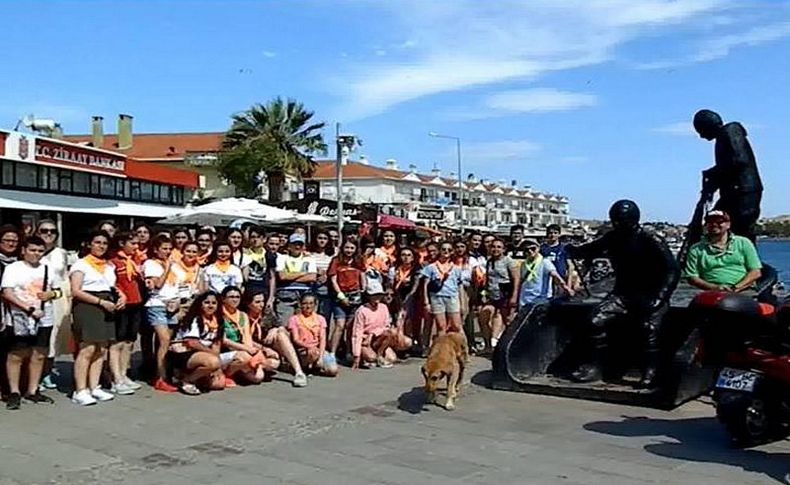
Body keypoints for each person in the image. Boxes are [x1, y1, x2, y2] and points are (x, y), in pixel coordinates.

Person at [566, 200, 680, 388]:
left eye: (622, 220)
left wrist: (660, 297)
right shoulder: (613, 237)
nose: (618, 224)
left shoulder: (651, 239)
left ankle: (650, 371)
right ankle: (596, 367)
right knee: (594, 320)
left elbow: (672, 270)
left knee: (648, 329)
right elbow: (591, 249)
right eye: (615, 221)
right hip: (623, 295)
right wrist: (574, 250)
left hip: (651, 294)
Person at [1, 236, 62, 408]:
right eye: (32, 250)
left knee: (39, 354)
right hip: (20, 318)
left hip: (44, 317)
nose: (36, 254)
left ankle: (33, 390)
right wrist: (28, 308)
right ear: (24, 250)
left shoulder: (48, 269)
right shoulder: (14, 268)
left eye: (40, 251)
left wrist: (51, 295)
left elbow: (59, 291)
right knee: (16, 355)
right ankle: (14, 391)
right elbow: (7, 292)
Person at [70, 231, 126, 406]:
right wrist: (100, 302)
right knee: (87, 348)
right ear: (89, 244)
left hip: (107, 304)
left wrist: (121, 295)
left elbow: (111, 286)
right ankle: (80, 389)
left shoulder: (108, 266)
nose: (101, 246)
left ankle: (95, 386)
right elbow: (76, 290)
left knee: (101, 349)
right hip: (89, 306)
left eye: (104, 243)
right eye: (97, 242)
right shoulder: (81, 264)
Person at [693, 109, 763, 242]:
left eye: (701, 131)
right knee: (716, 221)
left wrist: (714, 173)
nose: (701, 136)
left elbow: (738, 160)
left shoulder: (730, 131)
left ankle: (748, 259)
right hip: (735, 192)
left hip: (743, 191)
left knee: (741, 228)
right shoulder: (723, 136)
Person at [683, 210, 762, 292]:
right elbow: (692, 277)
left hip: (742, 290)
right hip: (710, 291)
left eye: (719, 222)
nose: (714, 225)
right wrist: (714, 287)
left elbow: (755, 272)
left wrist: (735, 288)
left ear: (728, 225)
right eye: (710, 222)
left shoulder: (743, 243)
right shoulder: (696, 249)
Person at [245, 290, 309, 387]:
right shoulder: (243, 316)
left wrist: (275, 329)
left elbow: (280, 326)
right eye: (257, 302)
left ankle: (298, 372)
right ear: (249, 304)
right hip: (252, 348)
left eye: (262, 301)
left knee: (281, 334)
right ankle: (252, 369)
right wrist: (264, 349)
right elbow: (244, 340)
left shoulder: (266, 312)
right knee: (269, 367)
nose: (261, 305)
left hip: (267, 344)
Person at [142, 235, 181, 392]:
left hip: (172, 305)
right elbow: (157, 284)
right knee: (164, 340)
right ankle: (160, 377)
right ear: (156, 249)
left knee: (165, 342)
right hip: (157, 305)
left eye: (169, 249)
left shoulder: (173, 264)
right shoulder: (151, 264)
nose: (167, 251)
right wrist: (167, 268)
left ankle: (165, 373)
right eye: (164, 248)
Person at [166, 292, 225, 395]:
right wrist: (213, 357)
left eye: (214, 303)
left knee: (218, 384)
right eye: (206, 302)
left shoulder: (218, 321)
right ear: (200, 304)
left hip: (202, 354)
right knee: (213, 362)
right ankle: (186, 380)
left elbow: (217, 344)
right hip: (183, 353)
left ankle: (194, 377)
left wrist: (218, 368)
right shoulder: (194, 319)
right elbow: (192, 342)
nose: (210, 306)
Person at [108, 232, 145, 395]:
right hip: (122, 304)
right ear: (122, 243)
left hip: (136, 302)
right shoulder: (113, 262)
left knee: (130, 341)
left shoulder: (135, 261)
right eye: (133, 243)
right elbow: (110, 283)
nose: (136, 246)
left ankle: (123, 375)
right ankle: (115, 377)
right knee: (118, 341)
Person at [36, 220, 70, 390]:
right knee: (35, 337)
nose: (48, 234)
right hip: (35, 296)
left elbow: (65, 276)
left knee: (53, 337)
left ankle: (46, 373)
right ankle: (33, 375)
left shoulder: (61, 253)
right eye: (44, 230)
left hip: (57, 298)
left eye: (52, 231)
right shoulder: (32, 250)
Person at [350, 280, 412, 369]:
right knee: (371, 358)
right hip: (365, 341)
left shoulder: (383, 307)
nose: (377, 298)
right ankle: (364, 356)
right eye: (374, 295)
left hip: (378, 338)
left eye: (379, 295)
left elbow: (386, 326)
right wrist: (356, 355)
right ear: (369, 296)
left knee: (392, 357)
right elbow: (357, 333)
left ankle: (379, 355)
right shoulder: (361, 311)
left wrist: (372, 334)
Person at [219, 286, 265, 385]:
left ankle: (238, 371)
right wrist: (246, 349)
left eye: (237, 297)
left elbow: (247, 336)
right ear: (223, 299)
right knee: (244, 357)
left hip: (240, 350)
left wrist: (252, 351)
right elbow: (223, 340)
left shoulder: (243, 315)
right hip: (224, 351)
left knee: (258, 377)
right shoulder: (219, 314)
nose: (235, 299)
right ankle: (226, 375)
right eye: (231, 297)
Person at [327, 239, 365, 357]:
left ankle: (349, 351)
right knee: (340, 325)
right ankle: (332, 353)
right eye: (347, 247)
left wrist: (363, 289)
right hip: (340, 296)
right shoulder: (336, 261)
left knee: (351, 326)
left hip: (356, 295)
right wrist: (341, 296)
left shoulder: (358, 261)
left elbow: (362, 275)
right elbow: (333, 280)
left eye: (352, 248)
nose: (349, 250)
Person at [287, 293, 338, 378]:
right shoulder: (294, 319)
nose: (308, 306)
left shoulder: (321, 319)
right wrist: (308, 346)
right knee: (311, 353)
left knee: (333, 370)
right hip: (302, 350)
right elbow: (296, 339)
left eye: (311, 303)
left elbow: (322, 339)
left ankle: (317, 366)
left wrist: (321, 356)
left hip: (317, 349)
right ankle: (306, 367)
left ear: (315, 305)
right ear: (300, 304)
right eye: (305, 303)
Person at [421, 241, 466, 336]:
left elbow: (460, 286)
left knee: (456, 326)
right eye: (443, 249)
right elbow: (425, 285)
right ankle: (442, 349)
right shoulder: (431, 267)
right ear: (439, 251)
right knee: (441, 326)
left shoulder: (456, 268)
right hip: (437, 298)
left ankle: (463, 348)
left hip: (452, 297)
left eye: (449, 250)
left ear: (452, 252)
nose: (446, 251)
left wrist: (462, 303)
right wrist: (426, 302)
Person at [274, 233, 317, 326]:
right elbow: (282, 276)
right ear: (289, 245)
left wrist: (290, 276)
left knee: (303, 325)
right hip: (285, 296)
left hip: (304, 296)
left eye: (300, 244)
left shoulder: (309, 259)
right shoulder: (281, 258)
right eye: (295, 244)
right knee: (284, 324)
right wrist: (304, 273)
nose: (297, 247)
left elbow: (312, 277)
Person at [518, 238, 574, 308]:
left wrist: (566, 288)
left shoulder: (545, 262)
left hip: (540, 299)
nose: (530, 251)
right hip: (525, 299)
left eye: (533, 248)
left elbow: (555, 276)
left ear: (538, 248)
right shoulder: (524, 264)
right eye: (526, 250)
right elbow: (521, 281)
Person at [540, 224, 574, 295]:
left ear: (559, 234)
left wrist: (569, 285)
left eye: (555, 233)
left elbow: (570, 266)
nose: (553, 235)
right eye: (550, 233)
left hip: (560, 281)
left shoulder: (564, 248)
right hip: (546, 281)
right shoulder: (542, 248)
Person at [309, 230, 335, 325]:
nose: (322, 241)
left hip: (328, 288)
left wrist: (326, 274)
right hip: (312, 286)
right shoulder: (309, 254)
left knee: (325, 317)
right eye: (320, 238)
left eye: (325, 238)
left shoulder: (332, 254)